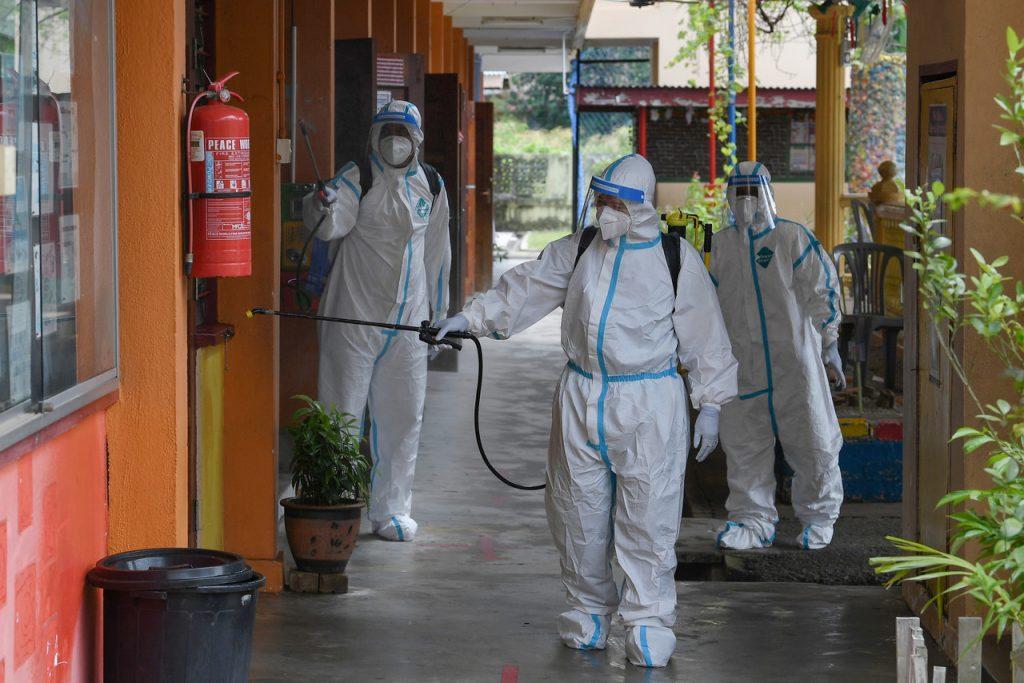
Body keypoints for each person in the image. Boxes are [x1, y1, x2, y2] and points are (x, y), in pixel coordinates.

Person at [436, 154, 737, 668]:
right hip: (580, 395)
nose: (606, 210)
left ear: (641, 207)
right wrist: (470, 318)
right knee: (576, 510)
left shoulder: (675, 259)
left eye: (617, 202)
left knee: (649, 513)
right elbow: (525, 286)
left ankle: (648, 619)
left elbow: (706, 334)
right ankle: (587, 608)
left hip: (648, 403)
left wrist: (711, 402)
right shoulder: (579, 250)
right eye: (602, 199)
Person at [301, 101, 450, 542]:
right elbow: (330, 224)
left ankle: (392, 510)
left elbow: (437, 253)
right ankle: (336, 506)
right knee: (341, 413)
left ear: (417, 140)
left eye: (403, 133)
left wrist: (439, 318)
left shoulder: (431, 184)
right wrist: (322, 205)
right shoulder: (357, 176)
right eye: (388, 131)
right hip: (353, 318)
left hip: (409, 324)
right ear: (374, 136)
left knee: (403, 417)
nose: (395, 140)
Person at [709, 161, 845, 552]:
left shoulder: (791, 238)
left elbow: (823, 289)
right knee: (744, 445)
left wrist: (830, 342)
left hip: (795, 364)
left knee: (811, 440)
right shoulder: (720, 246)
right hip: (742, 366)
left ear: (766, 194)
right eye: (739, 192)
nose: (745, 201)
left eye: (752, 192)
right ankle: (751, 521)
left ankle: (818, 518)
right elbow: (705, 305)